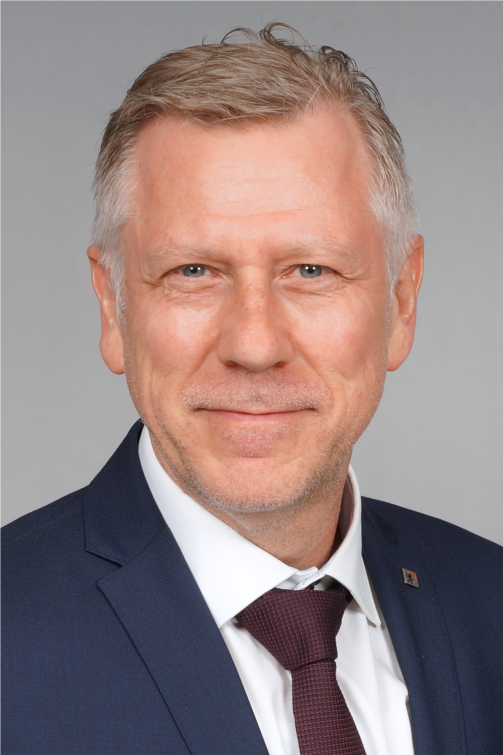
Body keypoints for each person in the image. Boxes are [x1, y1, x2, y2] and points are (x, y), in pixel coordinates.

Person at [1, 23, 502, 755]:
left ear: (401, 300)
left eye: (311, 271)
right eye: (193, 272)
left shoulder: (489, 603)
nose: (255, 345)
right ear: (112, 306)